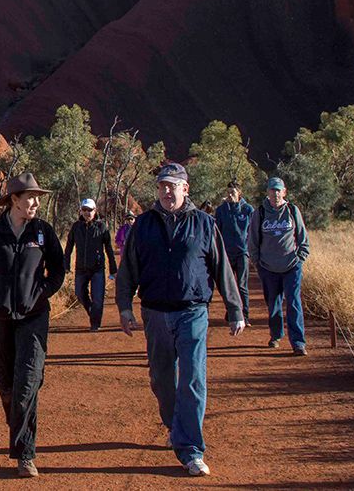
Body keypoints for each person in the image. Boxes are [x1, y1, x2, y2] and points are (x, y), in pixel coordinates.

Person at [116, 162, 245, 477]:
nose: (166, 191)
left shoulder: (204, 224)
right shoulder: (143, 226)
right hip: (155, 312)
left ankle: (191, 450)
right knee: (162, 380)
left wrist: (235, 308)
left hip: (193, 312)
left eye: (172, 185)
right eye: (161, 186)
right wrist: (124, 306)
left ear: (186, 188)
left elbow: (221, 267)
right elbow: (128, 268)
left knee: (192, 379)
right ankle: (176, 425)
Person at [0, 172, 66, 478]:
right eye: (30, 198)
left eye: (37, 197)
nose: (35, 203)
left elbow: (59, 270)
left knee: (27, 383)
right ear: (14, 200)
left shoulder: (42, 232)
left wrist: (42, 294)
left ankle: (26, 454)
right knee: (6, 384)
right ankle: (17, 421)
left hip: (33, 316)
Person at [249, 177, 310, 355]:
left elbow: (302, 236)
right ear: (267, 192)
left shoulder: (292, 210)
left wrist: (301, 257)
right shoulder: (259, 213)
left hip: (291, 265)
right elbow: (252, 240)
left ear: (284, 192)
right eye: (272, 190)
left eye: (278, 190)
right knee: (273, 303)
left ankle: (298, 343)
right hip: (268, 267)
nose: (275, 194)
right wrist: (257, 262)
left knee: (294, 302)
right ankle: (276, 335)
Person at [63, 197, 117, 330]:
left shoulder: (101, 227)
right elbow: (69, 246)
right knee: (80, 294)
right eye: (84, 210)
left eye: (90, 210)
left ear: (95, 211)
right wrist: (66, 265)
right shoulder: (76, 227)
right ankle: (93, 312)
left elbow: (109, 249)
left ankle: (95, 324)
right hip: (81, 268)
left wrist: (112, 268)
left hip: (97, 268)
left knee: (98, 298)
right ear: (81, 211)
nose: (87, 212)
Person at [213, 182, 255, 320]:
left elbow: (252, 231)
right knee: (228, 285)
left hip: (242, 252)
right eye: (228, 192)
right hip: (226, 253)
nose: (230, 195)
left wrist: (251, 249)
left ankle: (245, 314)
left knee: (242, 285)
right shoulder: (221, 210)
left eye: (233, 192)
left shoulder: (248, 210)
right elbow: (217, 231)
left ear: (239, 193)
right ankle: (232, 311)